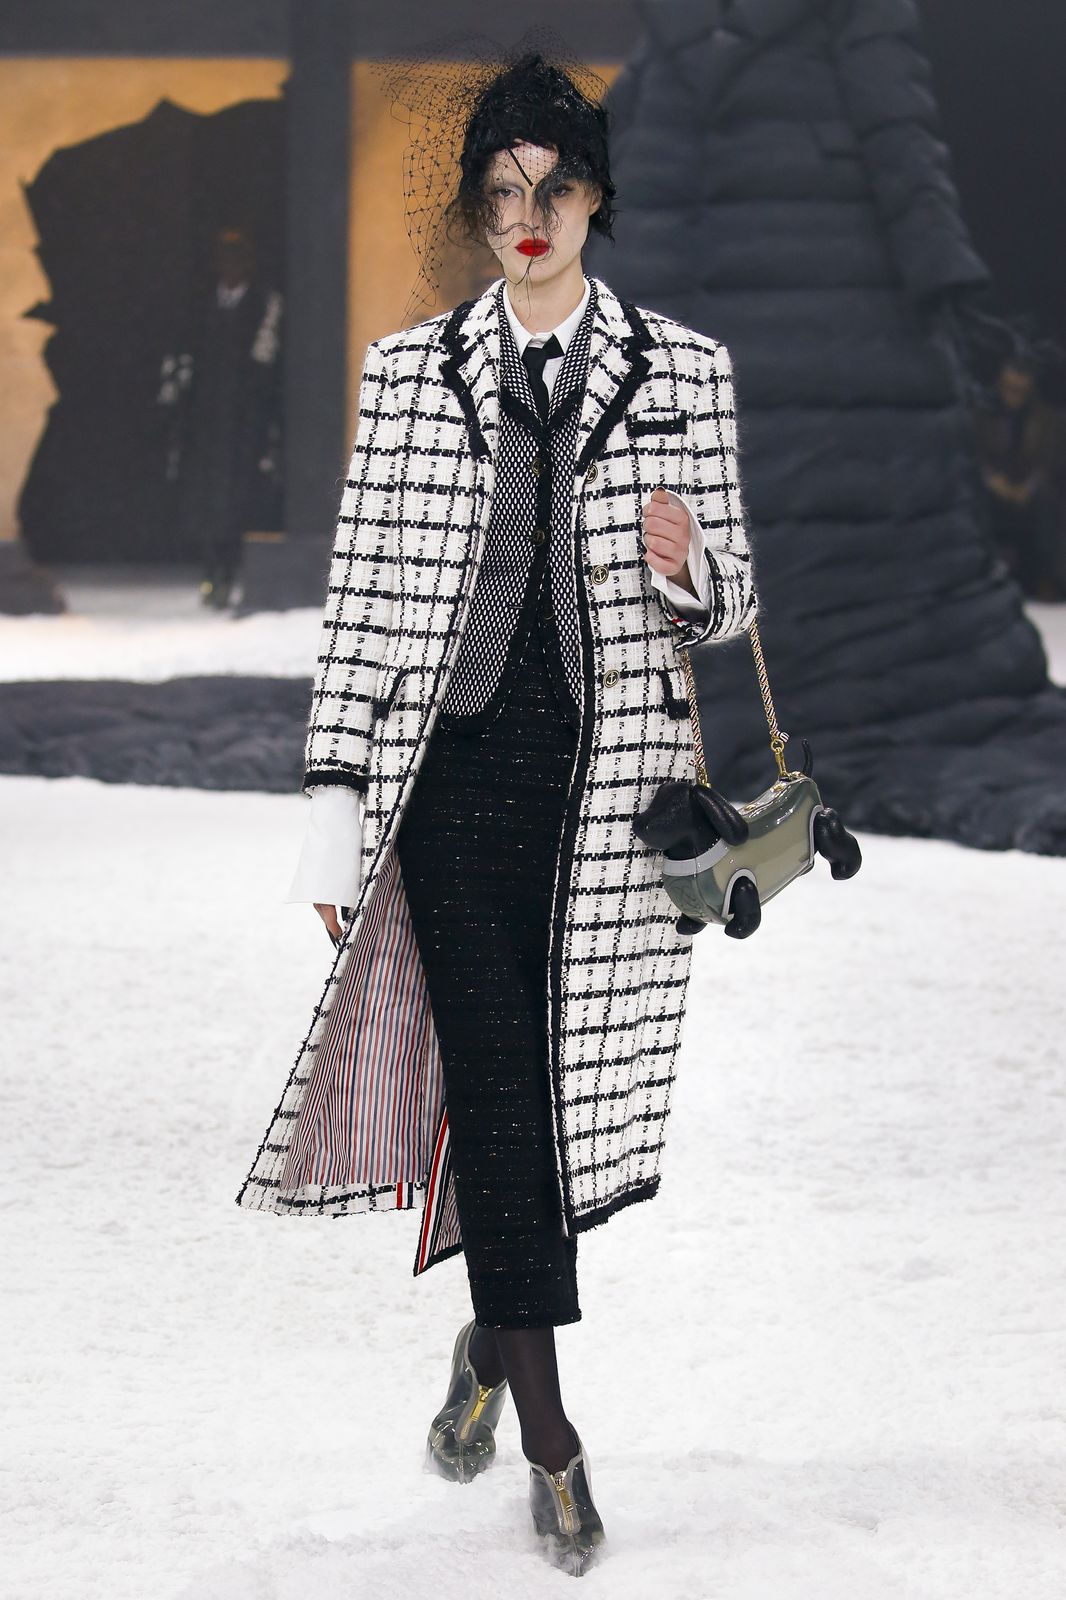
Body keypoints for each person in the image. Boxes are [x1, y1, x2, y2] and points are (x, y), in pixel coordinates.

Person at [236, 47, 758, 1577]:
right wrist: (335, 806)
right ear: (477, 208)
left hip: (607, 801)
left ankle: (484, 1337)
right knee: (501, 1085)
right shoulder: (410, 374)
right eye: (501, 191)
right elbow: (358, 603)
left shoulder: (683, 370)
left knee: (549, 1106)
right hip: (452, 783)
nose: (527, 217)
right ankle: (551, 1439)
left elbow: (730, 610)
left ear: (595, 199)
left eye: (555, 188)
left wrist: (687, 564)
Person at [157, 226, 283, 608]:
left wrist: (262, 415)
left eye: (237, 259)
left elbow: (266, 360)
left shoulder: (264, 303)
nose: (230, 267)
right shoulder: (200, 302)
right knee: (204, 495)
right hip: (205, 416)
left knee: (237, 495)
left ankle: (227, 571)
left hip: (243, 418)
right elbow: (182, 351)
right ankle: (210, 569)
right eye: (224, 259)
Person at [971, 356, 1066, 600]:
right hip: (992, 489)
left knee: (1048, 501)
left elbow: (1050, 461)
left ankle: (1047, 579)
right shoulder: (983, 416)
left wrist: (1028, 487)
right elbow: (974, 455)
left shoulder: (1047, 420)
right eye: (1009, 388)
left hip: (1032, 492)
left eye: (1020, 390)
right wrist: (993, 481)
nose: (1013, 396)